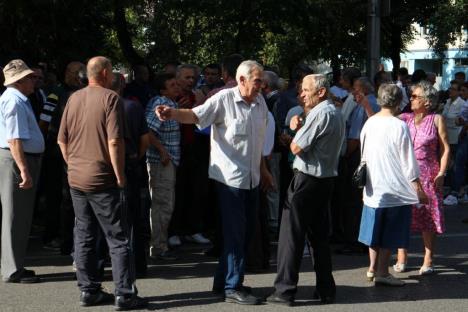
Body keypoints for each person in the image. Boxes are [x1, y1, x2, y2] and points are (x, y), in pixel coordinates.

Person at [156, 60, 272, 305]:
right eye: (257, 80)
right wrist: (172, 113)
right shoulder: (224, 100)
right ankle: (233, 286)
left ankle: (223, 282)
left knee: (245, 232)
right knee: (236, 234)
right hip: (230, 181)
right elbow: (196, 115)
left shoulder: (260, 102)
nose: (262, 85)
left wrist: (263, 170)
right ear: (242, 80)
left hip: (252, 179)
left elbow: (257, 142)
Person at [58, 56, 146, 309]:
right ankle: (125, 294)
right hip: (102, 177)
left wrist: (73, 164)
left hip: (77, 177)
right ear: (106, 73)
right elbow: (115, 141)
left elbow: (61, 140)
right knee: (118, 237)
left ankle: (88, 290)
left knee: (84, 234)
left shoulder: (73, 98)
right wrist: (119, 175)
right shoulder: (111, 98)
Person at [267, 74, 345, 306]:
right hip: (324, 180)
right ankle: (325, 289)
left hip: (308, 179)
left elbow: (297, 146)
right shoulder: (332, 112)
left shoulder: (322, 113)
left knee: (291, 236)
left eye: (306, 90)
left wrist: (293, 133)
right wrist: (299, 124)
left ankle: (284, 290)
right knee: (319, 237)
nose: (301, 94)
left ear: (320, 92)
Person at [358, 83, 428, 286]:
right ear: (398, 102)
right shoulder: (399, 125)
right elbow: (408, 161)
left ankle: (372, 268)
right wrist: (418, 187)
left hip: (372, 185)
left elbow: (364, 154)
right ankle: (382, 272)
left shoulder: (370, 123)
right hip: (394, 187)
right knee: (389, 231)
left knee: (373, 230)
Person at [393, 81, 450, 275]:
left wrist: (442, 173)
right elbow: (382, 119)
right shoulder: (405, 118)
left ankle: (428, 258)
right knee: (403, 216)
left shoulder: (436, 119)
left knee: (428, 218)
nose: (411, 99)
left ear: (427, 101)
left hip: (429, 174)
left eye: (415, 96)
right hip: (405, 173)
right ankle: (402, 257)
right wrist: (367, 105)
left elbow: (445, 148)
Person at [0, 59, 44, 283]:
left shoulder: (17, 98)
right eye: (31, 77)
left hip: (19, 159)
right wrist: (24, 170)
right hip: (18, 160)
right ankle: (12, 269)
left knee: (19, 215)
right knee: (15, 215)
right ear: (19, 80)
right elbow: (14, 139)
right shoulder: (15, 101)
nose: (34, 80)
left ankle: (14, 266)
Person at [145, 72, 181, 260]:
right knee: (162, 204)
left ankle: (160, 244)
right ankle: (158, 247)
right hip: (161, 162)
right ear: (162, 89)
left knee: (166, 204)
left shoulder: (173, 104)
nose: (177, 87)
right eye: (172, 84)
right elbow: (148, 130)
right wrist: (162, 151)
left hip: (169, 160)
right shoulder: (160, 103)